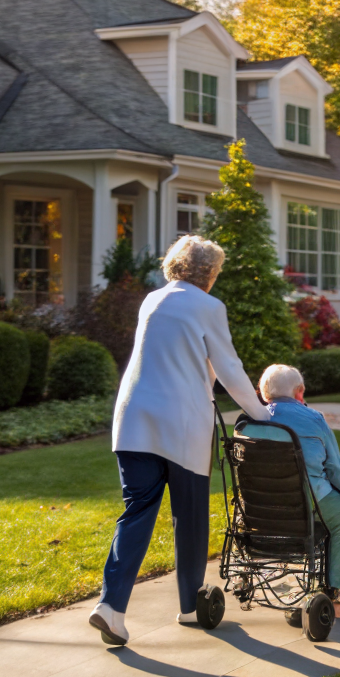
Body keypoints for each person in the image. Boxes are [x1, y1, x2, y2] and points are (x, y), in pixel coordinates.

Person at [88, 235, 271, 646]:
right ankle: (190, 605)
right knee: (189, 515)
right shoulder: (209, 306)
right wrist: (263, 415)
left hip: (133, 420)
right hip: (181, 422)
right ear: (209, 272)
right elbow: (228, 367)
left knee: (136, 511)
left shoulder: (151, 300)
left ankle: (110, 607)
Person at [256, 364, 340, 618]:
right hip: (308, 499)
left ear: (263, 393)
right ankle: (335, 599)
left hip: (259, 503)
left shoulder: (249, 419)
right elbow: (335, 469)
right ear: (300, 391)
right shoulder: (314, 419)